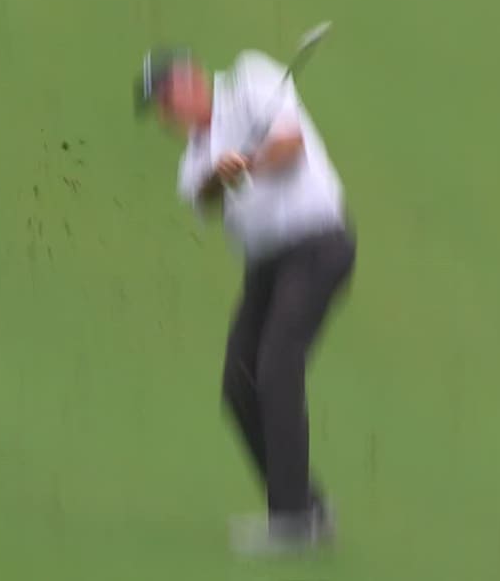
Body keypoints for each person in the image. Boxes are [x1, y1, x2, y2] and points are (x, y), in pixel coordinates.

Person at [135, 46, 357, 555]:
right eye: (161, 110)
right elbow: (204, 197)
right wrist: (222, 172)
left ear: (193, 78)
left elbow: (291, 145)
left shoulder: (251, 80)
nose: (168, 114)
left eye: (168, 97)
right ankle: (308, 509)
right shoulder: (193, 158)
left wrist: (250, 161)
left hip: (319, 244)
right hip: (267, 269)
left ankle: (293, 522)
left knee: (277, 364)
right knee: (241, 383)